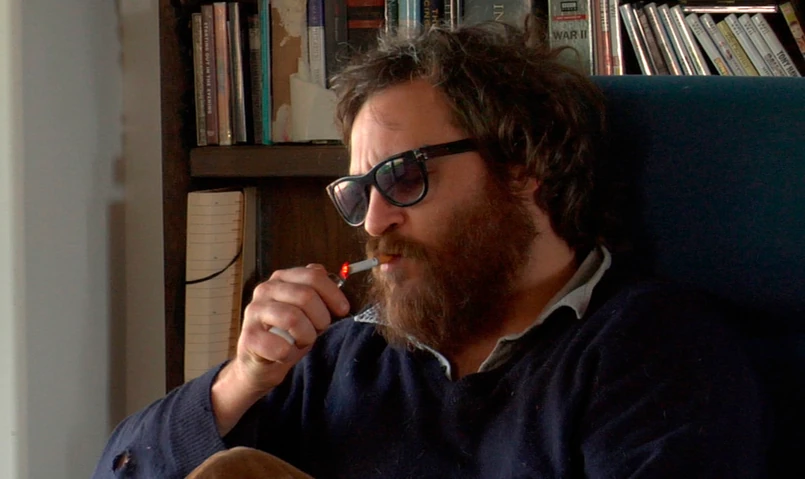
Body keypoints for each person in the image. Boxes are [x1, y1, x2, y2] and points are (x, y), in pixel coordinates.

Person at [93, 19, 769, 479]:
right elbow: (118, 469)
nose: (374, 221)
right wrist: (240, 380)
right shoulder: (345, 352)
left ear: (521, 166)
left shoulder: (653, 347)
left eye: (403, 177)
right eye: (358, 193)